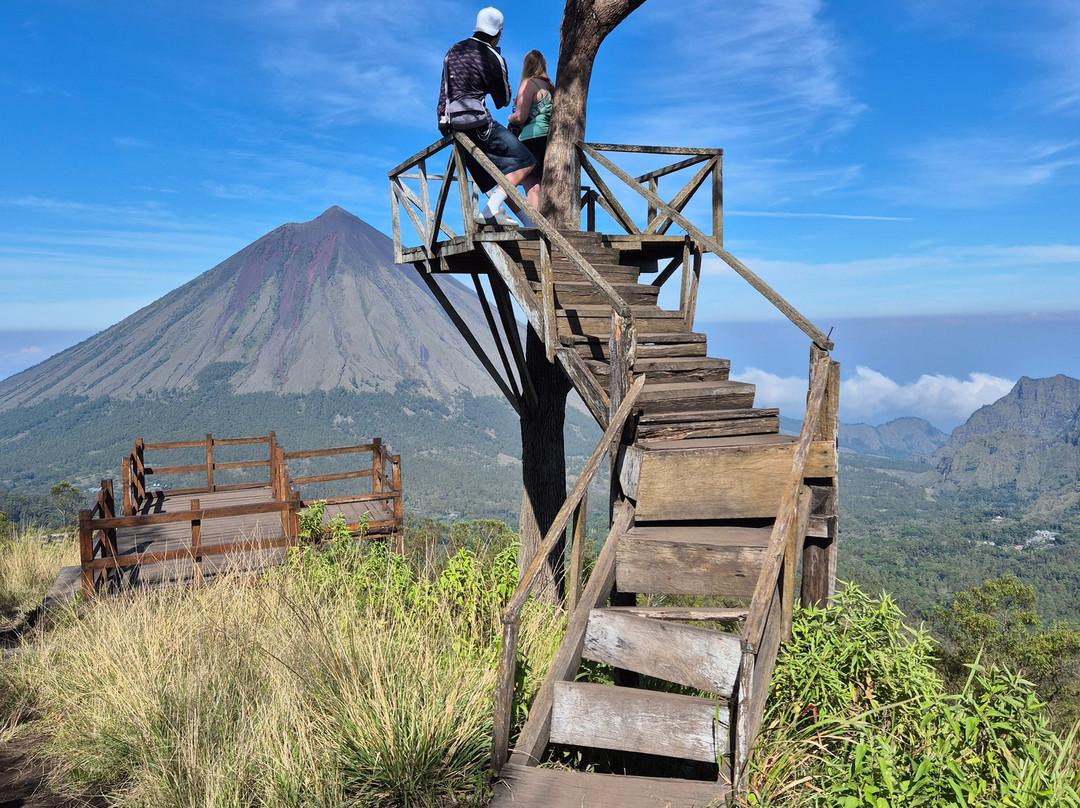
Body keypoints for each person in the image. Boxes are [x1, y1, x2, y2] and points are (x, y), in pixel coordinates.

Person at [437, 7, 537, 226]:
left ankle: (527, 222)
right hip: (479, 124)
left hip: (450, 125)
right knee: (525, 161)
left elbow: (445, 89)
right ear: (499, 32)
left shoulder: (453, 50)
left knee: (504, 173)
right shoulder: (492, 57)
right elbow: (503, 100)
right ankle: (492, 209)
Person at [507, 50, 553, 209]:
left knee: (531, 187)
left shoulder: (529, 84)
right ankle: (542, 225)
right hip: (548, 140)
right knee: (541, 188)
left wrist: (509, 118)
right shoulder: (551, 86)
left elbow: (520, 117)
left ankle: (535, 226)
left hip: (529, 139)